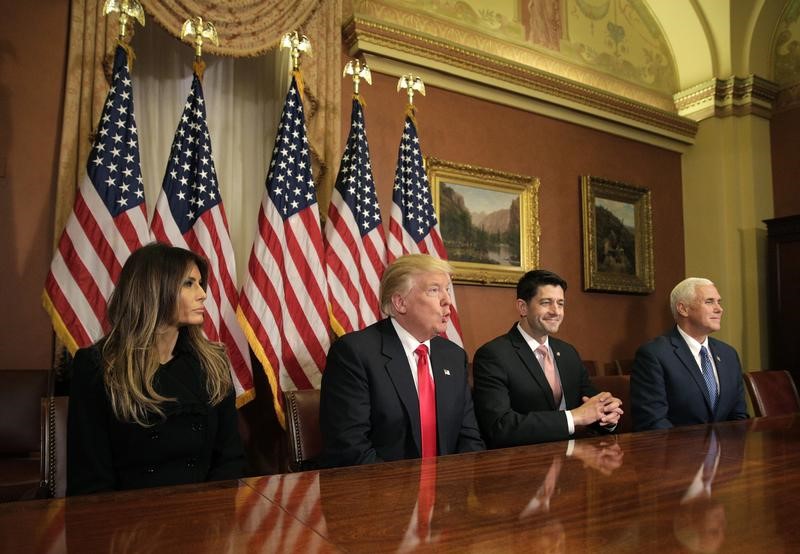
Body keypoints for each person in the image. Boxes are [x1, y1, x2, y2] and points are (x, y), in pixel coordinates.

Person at [67, 243, 245, 495]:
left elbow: (230, 459)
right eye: (189, 283)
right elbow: (90, 477)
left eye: (200, 283)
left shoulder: (214, 362)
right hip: (127, 522)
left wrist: (213, 514)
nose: (202, 293)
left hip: (203, 515)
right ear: (154, 290)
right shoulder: (98, 365)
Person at [319, 254, 485, 467]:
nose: (447, 301)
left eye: (447, 289)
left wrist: (453, 489)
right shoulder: (355, 353)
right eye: (434, 290)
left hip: (446, 492)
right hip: (379, 492)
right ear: (400, 302)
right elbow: (350, 448)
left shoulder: (453, 356)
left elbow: (469, 437)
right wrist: (404, 496)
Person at [472, 269, 622, 447]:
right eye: (546, 303)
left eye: (560, 303)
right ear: (523, 307)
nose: (556, 311)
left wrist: (607, 415)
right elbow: (500, 426)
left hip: (573, 461)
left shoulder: (568, 353)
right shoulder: (494, 355)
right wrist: (574, 417)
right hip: (521, 464)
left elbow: (589, 406)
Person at [630, 277, 748, 431]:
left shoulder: (728, 354)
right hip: (676, 452)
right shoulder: (654, 355)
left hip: (726, 452)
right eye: (709, 301)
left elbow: (739, 416)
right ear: (683, 309)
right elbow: (653, 421)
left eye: (719, 301)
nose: (719, 309)